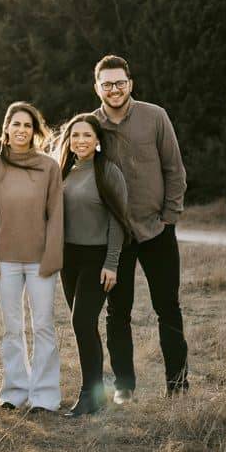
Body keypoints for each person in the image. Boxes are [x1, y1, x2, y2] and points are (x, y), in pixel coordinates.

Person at [92, 54, 189, 401]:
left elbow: (174, 170)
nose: (114, 89)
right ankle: (124, 387)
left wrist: (169, 218)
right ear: (97, 87)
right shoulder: (92, 125)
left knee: (168, 308)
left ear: (129, 84)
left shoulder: (155, 116)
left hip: (157, 230)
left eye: (120, 83)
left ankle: (177, 386)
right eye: (107, 84)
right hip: (115, 236)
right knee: (118, 313)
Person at [0, 101, 64, 413]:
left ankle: (44, 396)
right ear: (7, 129)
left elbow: (56, 215)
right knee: (12, 328)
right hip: (5, 261)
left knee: (42, 325)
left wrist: (53, 256)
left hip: (41, 260)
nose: (22, 130)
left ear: (34, 130)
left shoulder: (48, 167)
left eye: (27, 125)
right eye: (16, 125)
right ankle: (15, 391)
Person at [57, 112, 131, 417]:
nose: (80, 140)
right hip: (68, 259)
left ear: (98, 140)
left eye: (87, 135)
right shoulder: (63, 172)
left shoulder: (109, 171)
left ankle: (90, 394)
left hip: (97, 258)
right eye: (75, 135)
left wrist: (111, 263)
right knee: (84, 326)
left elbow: (118, 221)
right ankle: (96, 392)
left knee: (82, 322)